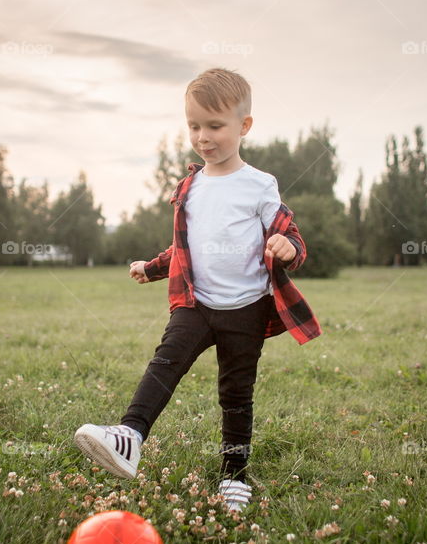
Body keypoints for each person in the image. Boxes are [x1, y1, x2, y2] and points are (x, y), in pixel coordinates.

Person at [74, 67, 321, 512]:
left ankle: (234, 476)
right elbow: (186, 247)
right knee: (164, 363)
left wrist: (288, 248)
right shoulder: (190, 186)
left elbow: (292, 236)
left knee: (236, 393)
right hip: (196, 303)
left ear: (243, 126)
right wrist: (151, 269)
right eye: (193, 126)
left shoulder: (259, 185)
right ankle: (129, 436)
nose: (203, 137)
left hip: (245, 309)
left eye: (214, 126)